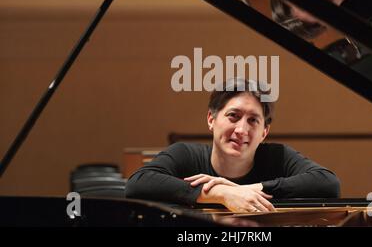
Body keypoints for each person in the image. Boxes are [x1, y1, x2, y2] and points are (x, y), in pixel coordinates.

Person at [125, 78, 340, 212]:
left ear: (264, 132)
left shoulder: (278, 156)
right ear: (211, 119)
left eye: (253, 120)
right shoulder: (185, 154)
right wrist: (221, 193)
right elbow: (138, 184)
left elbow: (328, 184)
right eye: (233, 116)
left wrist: (244, 190)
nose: (241, 130)